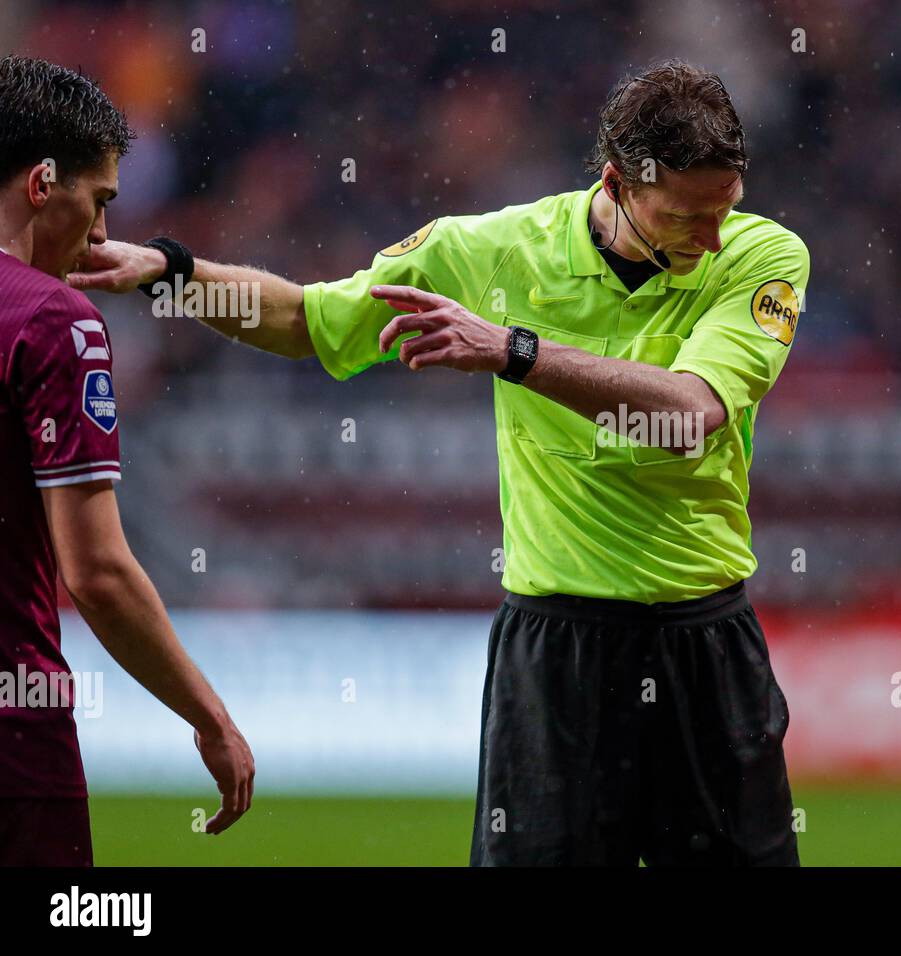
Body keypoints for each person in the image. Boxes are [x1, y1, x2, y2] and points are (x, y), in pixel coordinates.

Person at [72, 58, 807, 866]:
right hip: (557, 650)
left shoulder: (762, 257)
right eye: (685, 217)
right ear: (618, 182)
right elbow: (308, 321)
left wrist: (512, 351)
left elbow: (691, 416)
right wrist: (173, 276)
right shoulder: (485, 250)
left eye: (724, 208)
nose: (710, 238)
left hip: (705, 643)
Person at [0, 55, 254, 866]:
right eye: (100, 200)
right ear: (44, 183)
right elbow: (98, 572)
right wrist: (209, 716)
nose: (105, 234)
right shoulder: (54, 323)